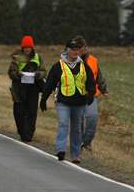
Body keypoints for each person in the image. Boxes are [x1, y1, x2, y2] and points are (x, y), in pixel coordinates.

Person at [40, 35, 97, 163]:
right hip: (63, 102)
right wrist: (43, 98)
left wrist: (91, 95)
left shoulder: (84, 66)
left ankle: (76, 155)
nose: (75, 52)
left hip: (79, 102)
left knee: (76, 129)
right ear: (67, 50)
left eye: (77, 50)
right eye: (72, 49)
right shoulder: (58, 66)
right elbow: (50, 83)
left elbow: (91, 82)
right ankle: (60, 150)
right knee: (64, 124)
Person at [7, 35, 44, 142]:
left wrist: (38, 74)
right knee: (18, 111)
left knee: (32, 111)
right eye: (25, 47)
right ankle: (21, 131)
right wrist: (18, 74)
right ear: (22, 48)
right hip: (19, 88)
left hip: (33, 88)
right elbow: (11, 72)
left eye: (29, 47)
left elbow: (43, 71)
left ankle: (29, 134)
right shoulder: (18, 57)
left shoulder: (38, 58)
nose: (27, 49)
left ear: (32, 47)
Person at [80, 41, 108, 151]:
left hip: (91, 95)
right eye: (80, 47)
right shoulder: (71, 60)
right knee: (78, 120)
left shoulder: (93, 61)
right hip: (75, 95)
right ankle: (78, 142)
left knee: (92, 117)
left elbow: (99, 76)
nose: (82, 49)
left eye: (84, 47)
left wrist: (103, 89)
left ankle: (86, 142)